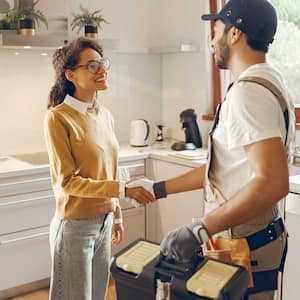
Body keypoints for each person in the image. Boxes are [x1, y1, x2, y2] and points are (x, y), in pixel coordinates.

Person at [130, 0, 295, 299]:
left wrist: (199, 229)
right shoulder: (269, 80)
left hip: (245, 244)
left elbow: (272, 183)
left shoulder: (248, 94)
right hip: (251, 240)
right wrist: (159, 188)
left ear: (235, 34)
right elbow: (224, 168)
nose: (211, 40)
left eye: (216, 29)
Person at [44, 37, 155, 300]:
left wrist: (115, 215)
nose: (102, 70)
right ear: (70, 74)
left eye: (102, 63)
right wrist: (123, 190)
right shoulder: (58, 118)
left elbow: (111, 169)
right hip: (74, 227)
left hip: (104, 223)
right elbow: (67, 182)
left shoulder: (104, 115)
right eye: (92, 66)